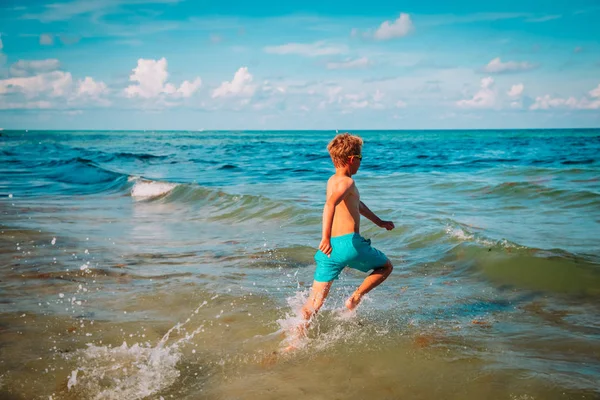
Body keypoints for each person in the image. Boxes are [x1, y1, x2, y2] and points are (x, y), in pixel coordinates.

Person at [295, 132, 394, 337]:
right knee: (385, 266)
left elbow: (357, 205)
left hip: (329, 250)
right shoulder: (348, 183)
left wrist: (379, 222)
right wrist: (324, 235)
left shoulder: (333, 181)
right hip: (350, 245)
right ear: (352, 159)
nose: (360, 163)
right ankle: (354, 298)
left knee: (314, 302)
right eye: (360, 159)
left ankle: (295, 340)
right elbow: (330, 204)